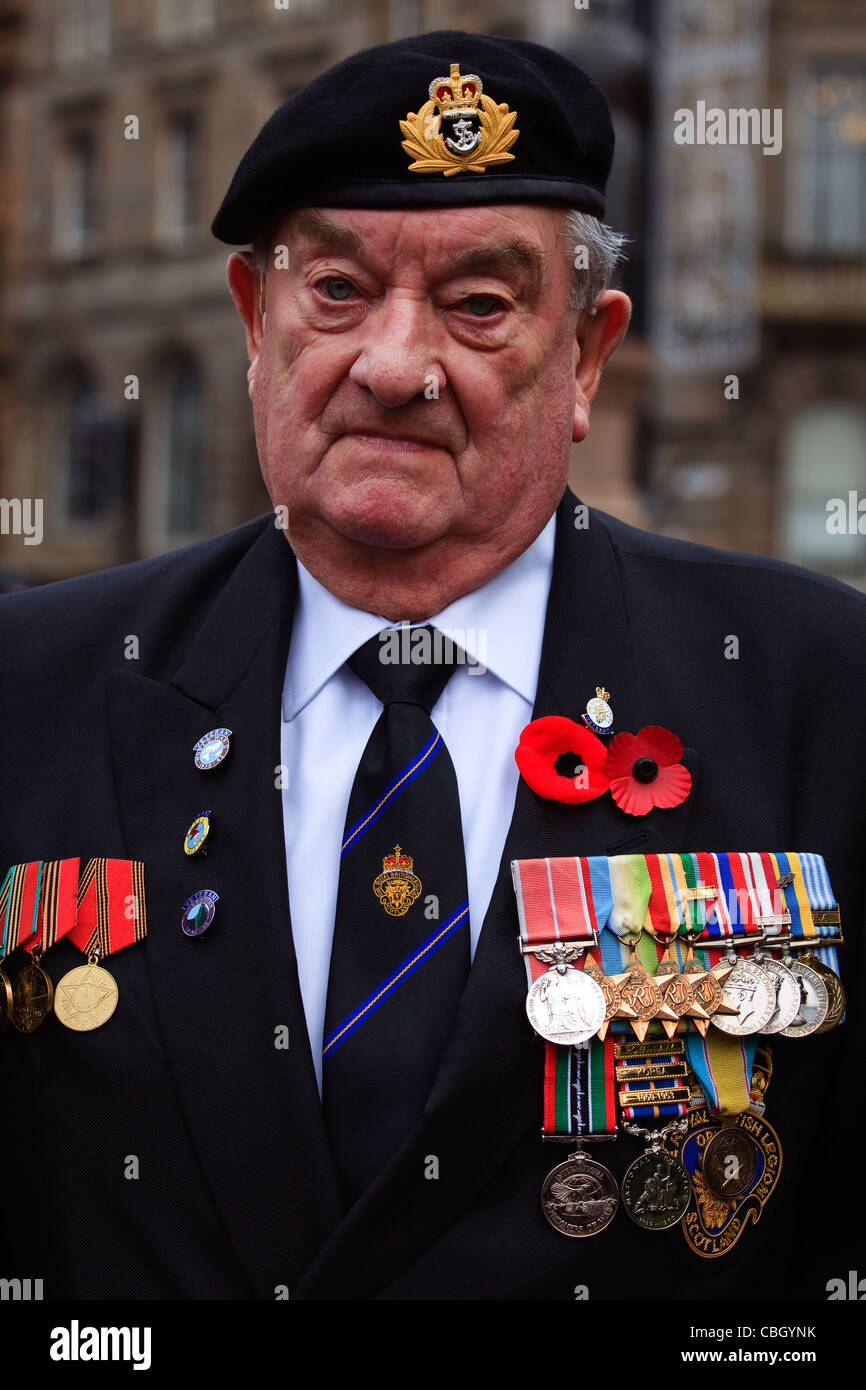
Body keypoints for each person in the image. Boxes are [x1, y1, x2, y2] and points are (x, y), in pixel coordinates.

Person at [0, 30, 862, 1302]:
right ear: (255, 322)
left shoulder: (818, 691)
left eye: (478, 305)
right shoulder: (35, 686)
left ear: (583, 357)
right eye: (335, 291)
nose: (394, 366)